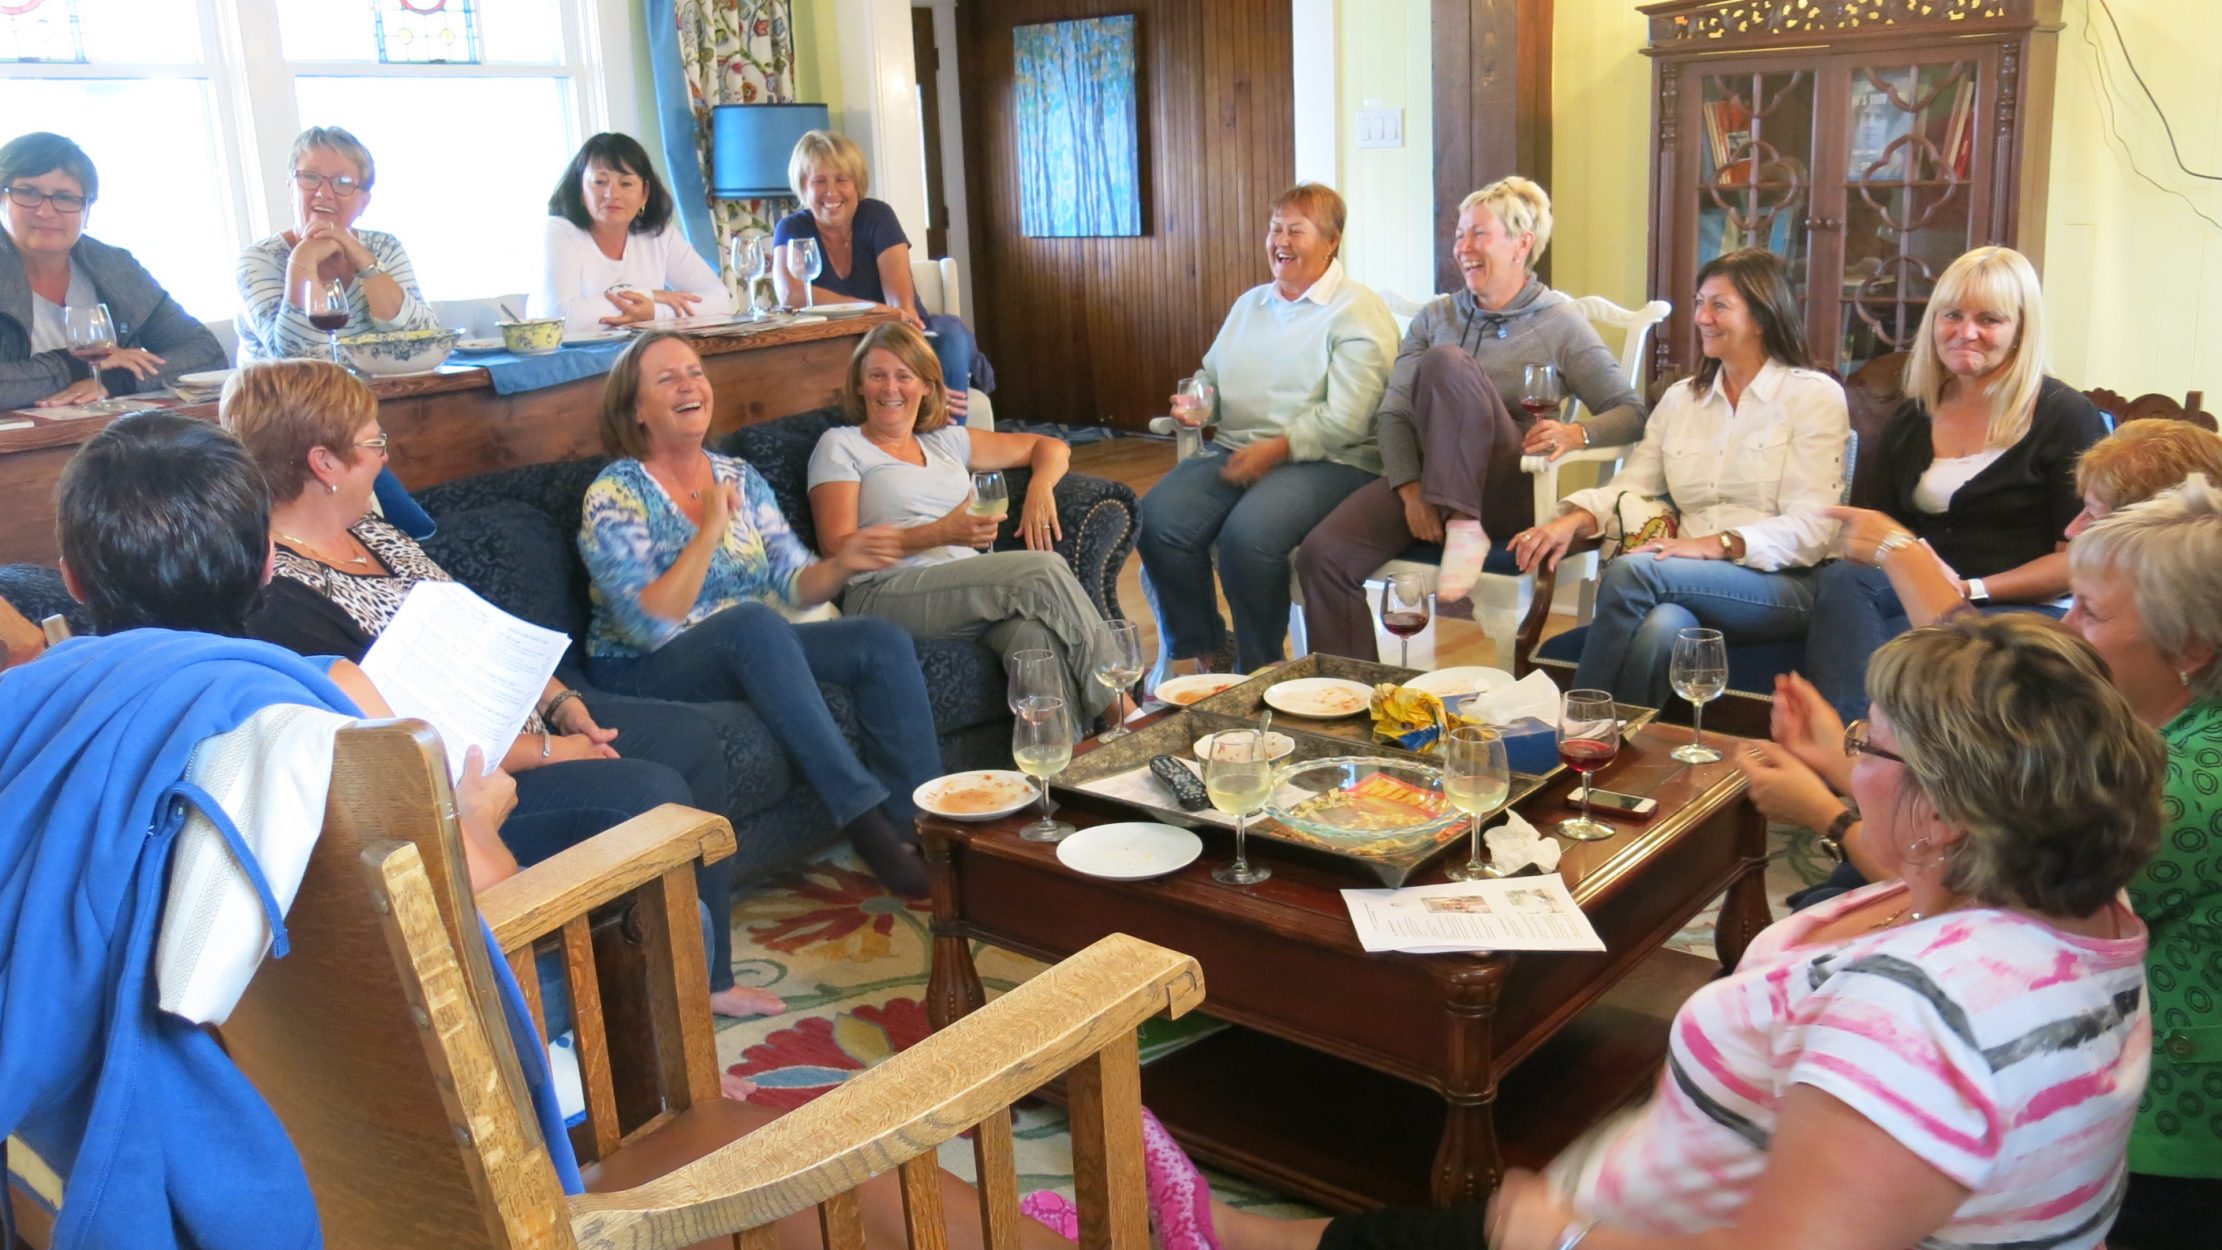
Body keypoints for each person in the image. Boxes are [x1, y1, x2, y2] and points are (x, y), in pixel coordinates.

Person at [1245, 614, 2155, 1250]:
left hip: (1617, 1235)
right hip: (1633, 1205)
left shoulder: (1921, 1017)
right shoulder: (2071, 915)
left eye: (1869, 747)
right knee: (1374, 1237)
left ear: (1947, 817)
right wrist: (1838, 777)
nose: (1851, 759)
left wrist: (1560, 1237)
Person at [217, 359, 776, 1019]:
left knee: (691, 738)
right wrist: (552, 754)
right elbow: (401, 736)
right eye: (374, 444)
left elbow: (482, 626)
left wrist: (565, 704)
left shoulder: (375, 533)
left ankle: (707, 977)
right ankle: (644, 1005)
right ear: (324, 463)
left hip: (524, 721)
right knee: (651, 791)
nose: (384, 458)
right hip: (469, 778)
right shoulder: (281, 592)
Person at [576, 331, 942, 898]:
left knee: (878, 641)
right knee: (753, 625)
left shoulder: (739, 476)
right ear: (635, 409)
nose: (689, 385)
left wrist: (844, 561)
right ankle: (865, 824)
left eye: (695, 372)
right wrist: (711, 532)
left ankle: (923, 828)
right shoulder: (615, 493)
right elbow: (646, 622)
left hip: (745, 645)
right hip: (644, 664)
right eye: (667, 378)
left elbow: (796, 584)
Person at [1294, 176, 1644, 660]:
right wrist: (1410, 488)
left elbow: (1632, 413)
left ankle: (1465, 521)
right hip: (1428, 484)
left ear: (1522, 245)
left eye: (1479, 234)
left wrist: (1576, 432)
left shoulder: (1559, 323)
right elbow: (1394, 412)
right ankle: (1354, 700)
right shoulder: (1436, 318)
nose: (1463, 248)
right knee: (1323, 555)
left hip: (1506, 490)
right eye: (1459, 234)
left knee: (1446, 362)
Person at [1513, 248, 1847, 708]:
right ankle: (1627, 766)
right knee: (1661, 627)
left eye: (1719, 305)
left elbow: (1814, 528)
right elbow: (1632, 486)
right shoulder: (1680, 400)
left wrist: (1715, 545)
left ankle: (1578, 728)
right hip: (1680, 580)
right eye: (1699, 302)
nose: (1702, 317)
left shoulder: (1812, 397)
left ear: (1763, 316)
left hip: (1785, 586)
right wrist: (1572, 519)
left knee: (1634, 571)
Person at [1802, 246, 2106, 720]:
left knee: (1906, 634)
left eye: (1989, 319)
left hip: (2020, 608)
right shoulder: (1913, 415)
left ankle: (1860, 757)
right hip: (1921, 593)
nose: (1966, 332)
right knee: (1844, 579)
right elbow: (1885, 530)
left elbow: (2081, 560)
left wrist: (1971, 589)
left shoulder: (2066, 417)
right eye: (1953, 315)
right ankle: (1851, 742)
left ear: (2020, 330)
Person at [1136, 182, 1399, 675]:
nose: (1281, 240)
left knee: (1248, 536)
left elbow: (1349, 418)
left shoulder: (1356, 310)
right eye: (1275, 228)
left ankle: (1261, 671)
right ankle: (1211, 650)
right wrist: (1199, 404)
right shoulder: (1251, 304)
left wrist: (1277, 449)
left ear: (1331, 240)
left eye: (1296, 230)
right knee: (1157, 519)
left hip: (1331, 461)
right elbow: (1210, 375)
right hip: (1239, 450)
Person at [808, 321, 1119, 724]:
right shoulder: (841, 445)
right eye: (877, 376)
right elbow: (838, 546)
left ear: (926, 385)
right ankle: (1125, 712)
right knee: (1042, 570)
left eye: (904, 376)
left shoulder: (945, 440)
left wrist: (1041, 487)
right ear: (860, 385)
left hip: (962, 588)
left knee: (1034, 640)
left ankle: (1064, 774)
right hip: (883, 593)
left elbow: (1051, 446)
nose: (889, 389)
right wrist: (940, 533)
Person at [0, 131, 225, 410]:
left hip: (104, 432)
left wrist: (114, 380)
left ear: (88, 209)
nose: (46, 211)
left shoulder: (114, 267)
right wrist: (78, 365)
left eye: (65, 197)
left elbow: (205, 353)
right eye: (28, 193)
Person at [772, 129, 981, 419]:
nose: (831, 192)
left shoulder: (877, 216)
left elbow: (900, 305)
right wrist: (873, 309)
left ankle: (951, 448)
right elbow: (792, 294)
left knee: (953, 340)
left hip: (899, 335)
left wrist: (922, 376)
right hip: (833, 346)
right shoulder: (792, 228)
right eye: (819, 181)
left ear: (857, 185)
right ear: (803, 188)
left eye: (842, 179)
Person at [234, 125, 441, 362]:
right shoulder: (258, 261)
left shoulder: (384, 248)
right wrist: (303, 259)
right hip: (283, 399)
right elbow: (295, 360)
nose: (323, 193)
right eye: (310, 178)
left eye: (343, 182)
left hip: (379, 397)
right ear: (291, 190)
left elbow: (426, 342)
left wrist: (361, 258)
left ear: (364, 202)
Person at [533, 131, 735, 335]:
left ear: (644, 193)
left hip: (640, 358)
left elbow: (721, 302)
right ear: (580, 189)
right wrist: (649, 295)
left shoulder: (658, 233)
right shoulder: (560, 231)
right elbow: (560, 320)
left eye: (626, 184)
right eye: (600, 182)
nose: (612, 194)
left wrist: (655, 312)